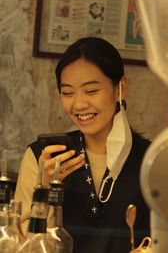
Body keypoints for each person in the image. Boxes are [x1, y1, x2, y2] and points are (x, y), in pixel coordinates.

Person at [15, 37, 150, 253]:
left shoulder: (152, 161)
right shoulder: (43, 157)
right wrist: (44, 192)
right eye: (68, 92)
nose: (79, 104)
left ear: (120, 88)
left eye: (91, 91)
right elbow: (17, 245)